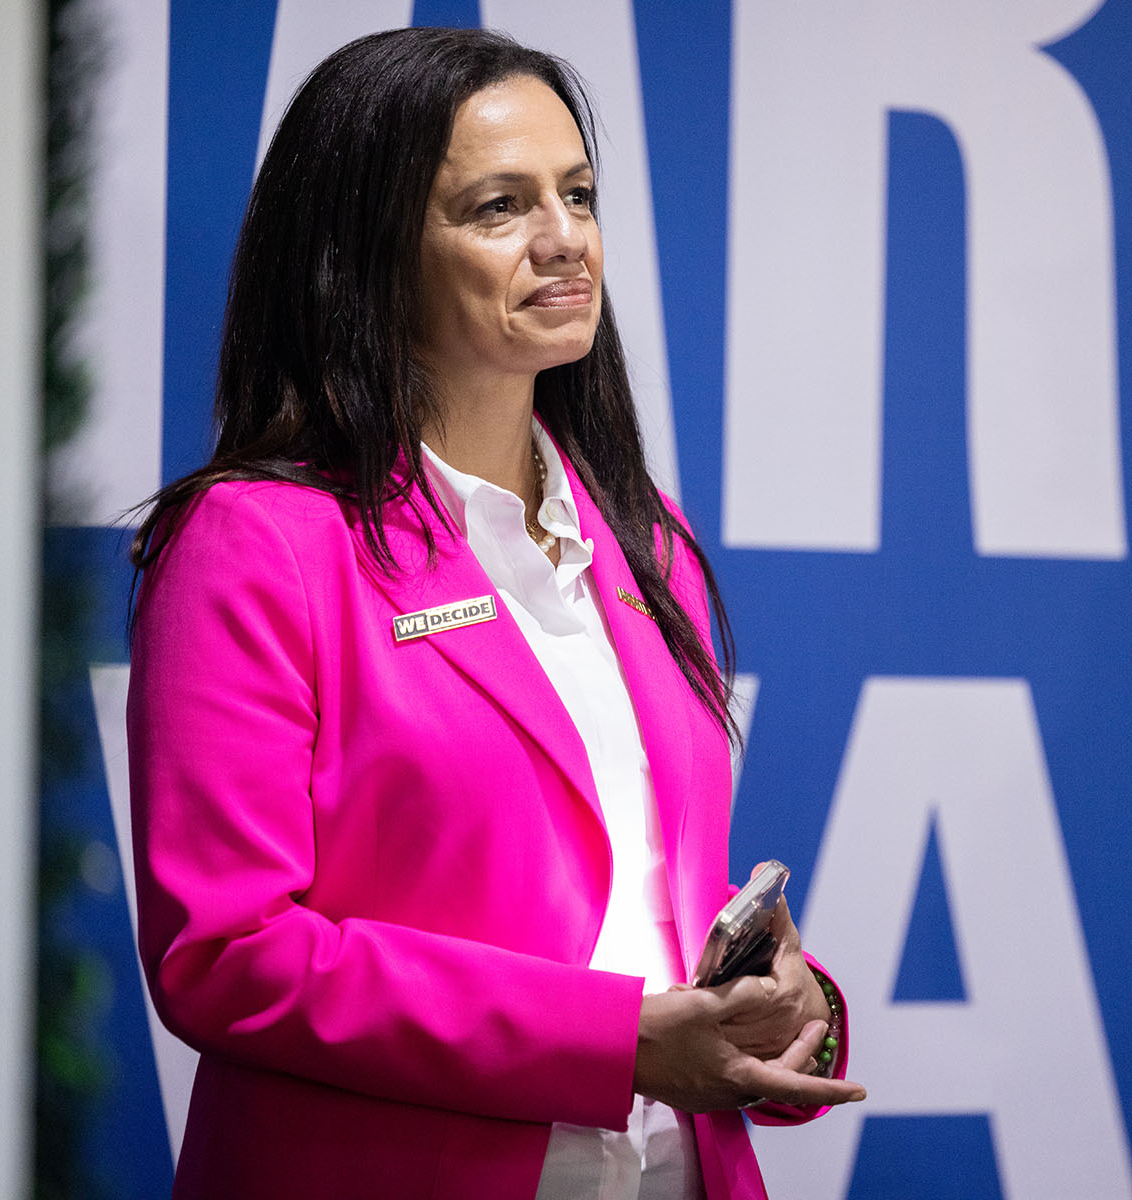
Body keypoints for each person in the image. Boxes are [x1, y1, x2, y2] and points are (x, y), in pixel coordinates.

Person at [126, 26, 863, 1200]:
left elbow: (648, 901)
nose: (565, 238)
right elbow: (229, 955)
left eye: (577, 194)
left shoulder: (646, 537)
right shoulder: (260, 542)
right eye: (498, 207)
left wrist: (786, 1005)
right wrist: (615, 1041)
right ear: (370, 256)